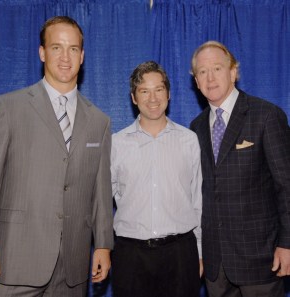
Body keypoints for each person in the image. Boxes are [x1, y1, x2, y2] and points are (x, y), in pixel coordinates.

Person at [0, 16, 113, 296]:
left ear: (82, 56)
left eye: (73, 49)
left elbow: (101, 192)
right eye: (57, 47)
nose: (65, 57)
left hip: (72, 267)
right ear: (42, 52)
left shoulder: (99, 121)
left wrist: (104, 244)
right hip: (13, 261)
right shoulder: (8, 108)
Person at [190, 40, 290, 297]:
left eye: (217, 68)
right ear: (196, 81)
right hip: (216, 265)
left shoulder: (266, 115)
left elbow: (286, 185)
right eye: (202, 72)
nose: (210, 78)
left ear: (233, 72)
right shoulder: (196, 128)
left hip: (261, 258)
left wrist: (287, 244)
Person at [111, 61, 203, 297]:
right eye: (144, 90)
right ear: (134, 98)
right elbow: (105, 198)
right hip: (130, 255)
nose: (152, 98)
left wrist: (200, 252)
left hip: (181, 254)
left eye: (158, 89)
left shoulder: (189, 140)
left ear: (169, 94)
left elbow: (198, 200)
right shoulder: (116, 144)